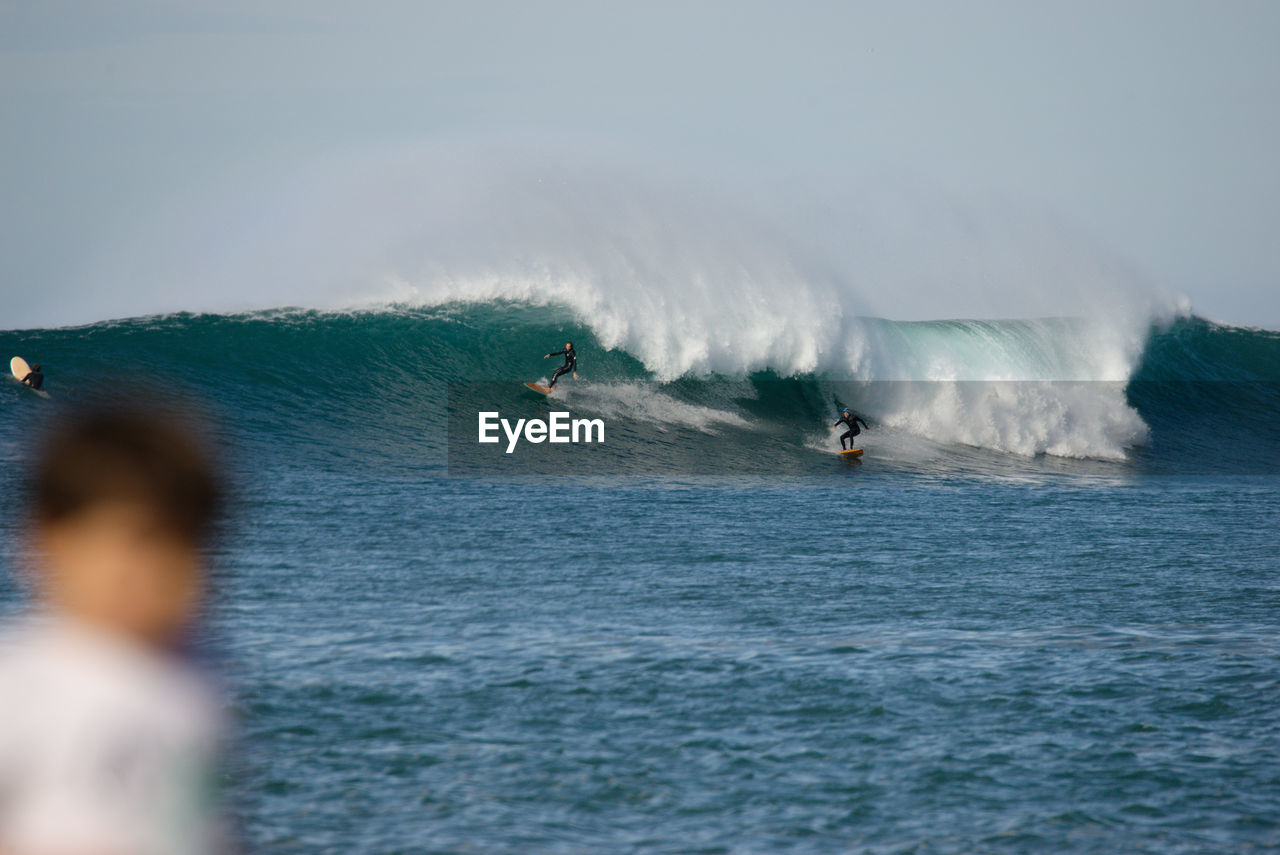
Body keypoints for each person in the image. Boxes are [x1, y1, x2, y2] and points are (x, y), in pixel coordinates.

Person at [0, 401, 229, 855]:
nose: (152, 574)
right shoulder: (20, 689)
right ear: (45, 542)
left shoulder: (193, 677)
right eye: (128, 546)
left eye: (179, 545)